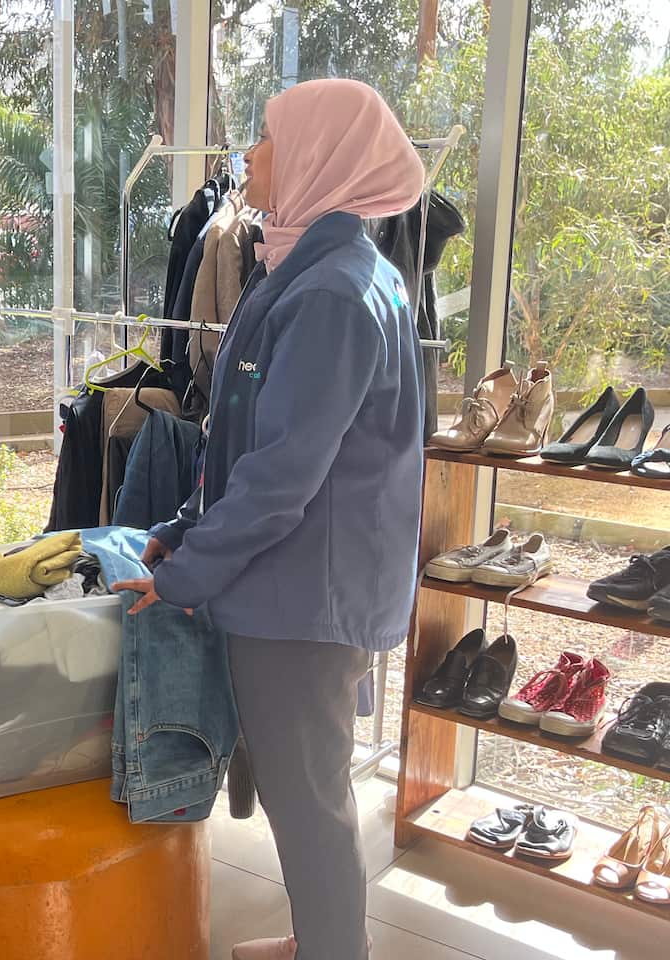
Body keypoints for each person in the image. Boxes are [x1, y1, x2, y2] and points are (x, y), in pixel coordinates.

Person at [113, 79, 426, 960]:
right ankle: (317, 939)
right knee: (307, 791)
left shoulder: (331, 293)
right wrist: (184, 525)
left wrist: (184, 575)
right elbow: (239, 436)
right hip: (303, 581)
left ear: (320, 155)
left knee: (308, 799)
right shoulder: (306, 269)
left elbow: (282, 476)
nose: (248, 154)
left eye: (266, 137)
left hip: (304, 597)